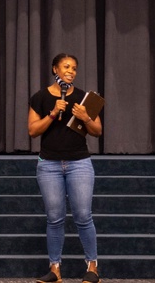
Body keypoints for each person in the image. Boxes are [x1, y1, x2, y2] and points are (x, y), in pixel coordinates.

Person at [28, 53, 103, 283]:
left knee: (83, 215)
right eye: (66, 66)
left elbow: (97, 131)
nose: (71, 71)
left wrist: (85, 117)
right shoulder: (40, 97)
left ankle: (92, 267)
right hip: (48, 165)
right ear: (55, 69)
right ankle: (55, 269)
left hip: (79, 163)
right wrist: (52, 113)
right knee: (55, 218)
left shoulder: (84, 98)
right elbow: (33, 131)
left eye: (74, 68)